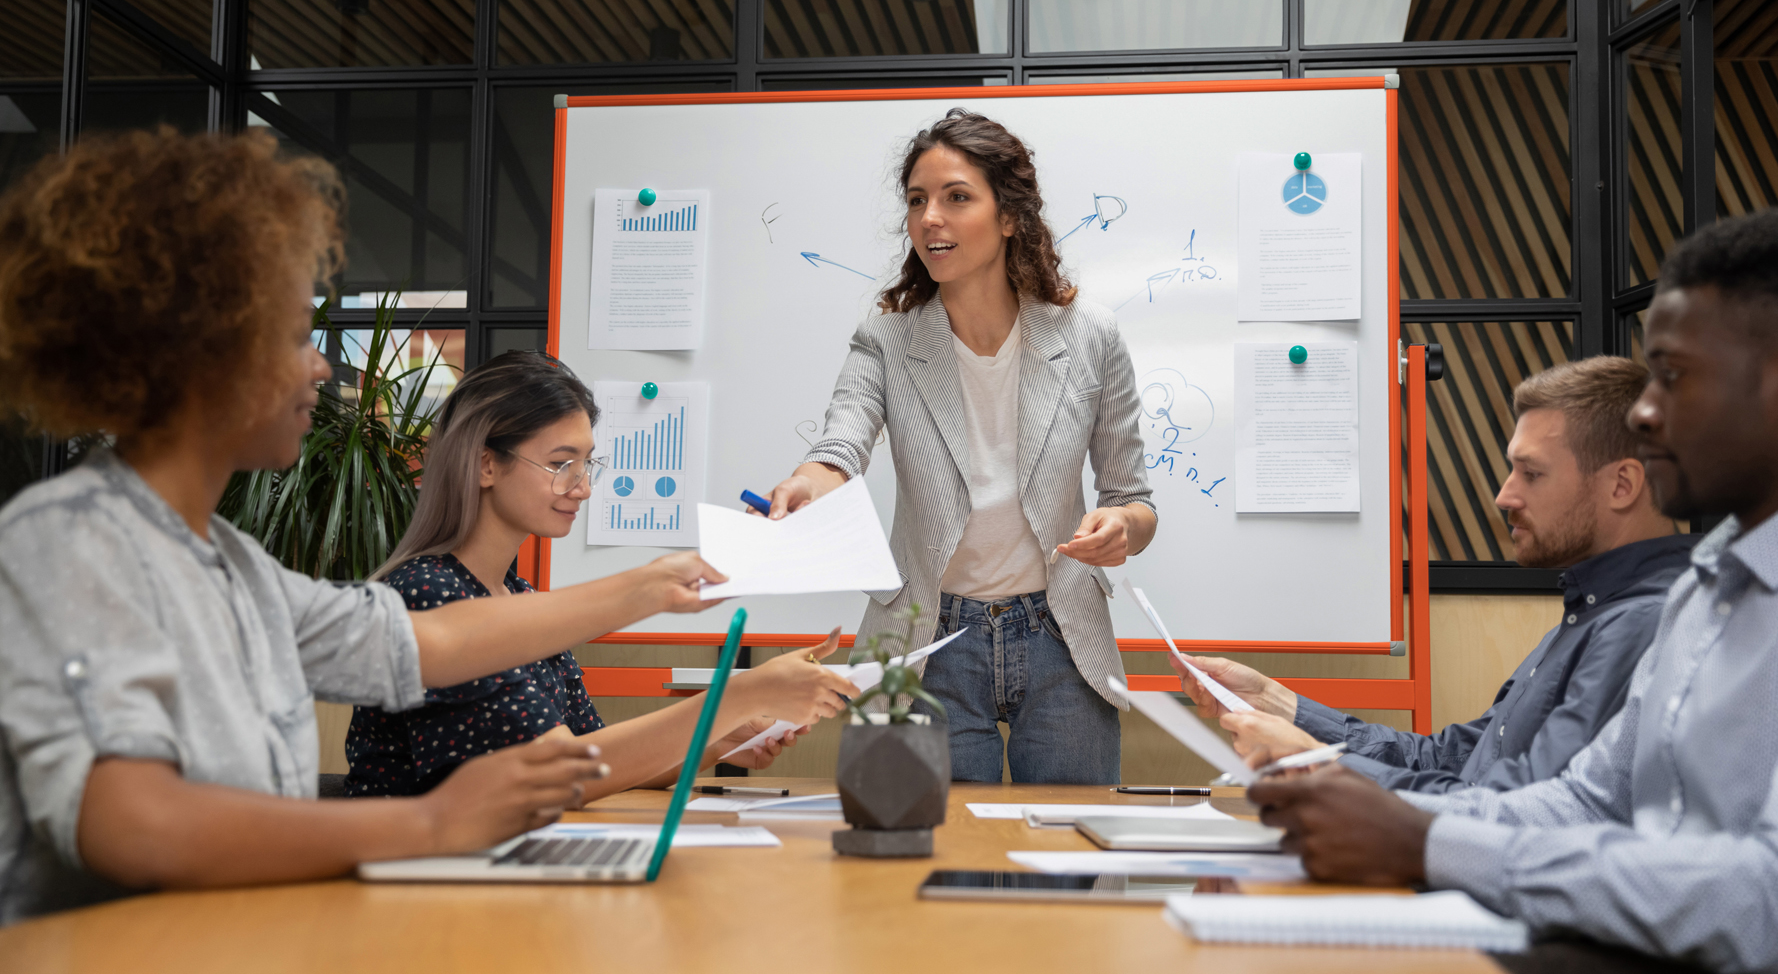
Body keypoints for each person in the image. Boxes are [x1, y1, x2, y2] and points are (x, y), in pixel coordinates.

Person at [0, 128, 824, 924]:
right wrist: (431, 825)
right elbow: (134, 826)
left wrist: (650, 586)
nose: (322, 365)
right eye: (295, 336)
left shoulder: (232, 566)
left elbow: (419, 644)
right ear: (200, 351)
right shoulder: (72, 539)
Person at [1247, 208, 1778, 972]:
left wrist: (1421, 838)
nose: (1647, 410)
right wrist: (1377, 813)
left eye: (1674, 376)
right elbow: (1585, 800)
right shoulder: (1705, 591)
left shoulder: (1650, 610)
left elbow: (1760, 899)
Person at [759, 109, 1156, 784]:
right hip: (926, 637)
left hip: (1058, 632)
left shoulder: (1090, 333)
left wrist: (1120, 528)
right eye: (916, 201)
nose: (929, 219)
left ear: (1009, 217)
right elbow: (842, 440)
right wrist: (809, 482)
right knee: (925, 868)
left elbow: (1133, 502)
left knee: (1068, 872)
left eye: (956, 197)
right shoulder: (886, 338)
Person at [346, 352, 859, 800]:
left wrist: (722, 736)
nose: (584, 488)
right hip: (412, 887)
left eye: (588, 464)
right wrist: (735, 698)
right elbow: (566, 773)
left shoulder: (522, 597)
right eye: (561, 464)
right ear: (486, 465)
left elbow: (600, 756)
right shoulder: (428, 593)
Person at [1176, 356, 1690, 793]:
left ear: (1622, 485)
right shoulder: (1590, 613)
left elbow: (1511, 811)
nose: (1504, 496)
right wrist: (1277, 704)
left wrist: (1324, 764)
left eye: (1531, 474)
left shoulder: (1643, 626)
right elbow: (1457, 761)